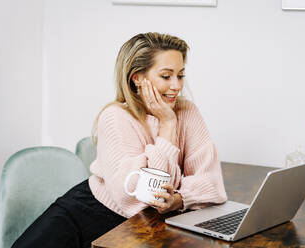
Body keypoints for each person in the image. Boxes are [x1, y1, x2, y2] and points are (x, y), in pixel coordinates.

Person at [13, 32, 227, 248]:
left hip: (143, 226)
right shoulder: (115, 117)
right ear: (137, 77)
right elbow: (141, 199)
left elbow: (212, 184)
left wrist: (179, 199)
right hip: (89, 216)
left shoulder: (187, 111)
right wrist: (168, 125)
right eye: (166, 76)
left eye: (180, 75)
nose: (177, 85)